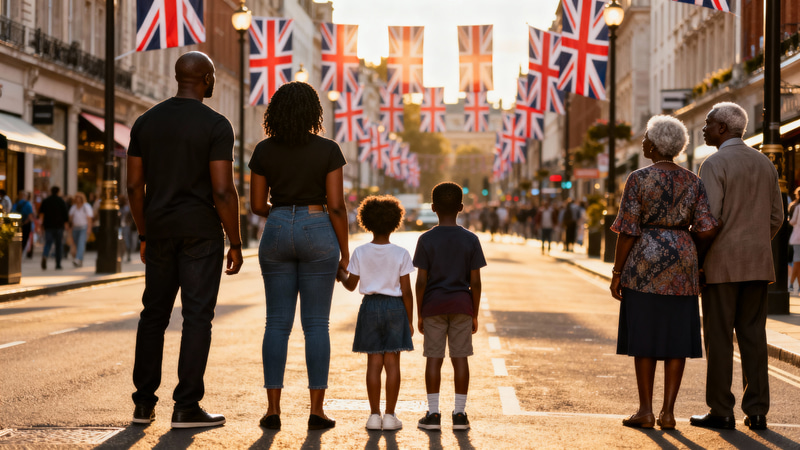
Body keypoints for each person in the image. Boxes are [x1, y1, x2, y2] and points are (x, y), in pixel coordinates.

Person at [127, 51, 243, 429]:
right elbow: (223, 191)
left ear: (178, 78)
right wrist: (236, 240)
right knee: (196, 318)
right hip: (200, 233)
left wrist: (144, 231)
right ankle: (186, 406)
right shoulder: (216, 125)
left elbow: (133, 185)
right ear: (208, 79)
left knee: (153, 316)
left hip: (159, 230)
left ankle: (143, 404)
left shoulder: (145, 122)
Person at [248, 81, 348, 431]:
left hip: (275, 228)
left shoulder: (263, 150)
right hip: (318, 226)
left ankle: (272, 410)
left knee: (276, 324)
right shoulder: (329, 150)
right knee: (316, 325)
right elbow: (336, 205)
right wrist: (344, 254)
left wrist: (283, 212)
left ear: (275, 112)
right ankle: (316, 411)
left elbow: (257, 204)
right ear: (313, 112)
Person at [610, 115, 719, 430]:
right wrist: (691, 253)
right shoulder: (693, 180)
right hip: (682, 262)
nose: (643, 141)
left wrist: (618, 271)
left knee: (643, 335)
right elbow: (708, 227)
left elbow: (628, 229)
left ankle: (645, 410)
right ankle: (668, 413)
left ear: (655, 144)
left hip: (644, 262)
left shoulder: (639, 178)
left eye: (646, 137)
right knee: (677, 337)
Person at [690, 102, 783, 431]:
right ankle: (757, 411)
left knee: (718, 338)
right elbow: (777, 217)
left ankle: (721, 410)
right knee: (754, 338)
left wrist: (699, 261)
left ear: (722, 129)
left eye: (708, 123)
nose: (703, 128)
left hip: (721, 265)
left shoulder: (713, 164)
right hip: (758, 264)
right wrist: (756, 241)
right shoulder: (764, 163)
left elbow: (707, 221)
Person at [414, 182, 486, 431]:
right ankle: (459, 414)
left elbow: (421, 280)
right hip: (462, 305)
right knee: (460, 358)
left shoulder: (425, 239)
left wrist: (420, 312)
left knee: (433, 358)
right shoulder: (471, 239)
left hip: (433, 305)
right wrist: (474, 313)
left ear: (433, 208)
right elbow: (475, 282)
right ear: (461, 208)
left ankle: (433, 414)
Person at [338, 195, 414, 431]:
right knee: (392, 363)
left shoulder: (360, 252)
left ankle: (373, 415)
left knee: (373, 363)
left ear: (365, 222)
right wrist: (409, 320)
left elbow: (351, 285)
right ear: (395, 222)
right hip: (395, 308)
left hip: (369, 307)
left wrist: (340, 274)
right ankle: (390, 416)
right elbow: (407, 291)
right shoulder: (401, 253)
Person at [38, 186, 69, 270]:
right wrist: (66, 225)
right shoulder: (61, 201)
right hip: (59, 226)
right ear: (58, 192)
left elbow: (41, 214)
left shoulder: (46, 201)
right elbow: (65, 215)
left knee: (48, 243)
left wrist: (41, 225)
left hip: (48, 226)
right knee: (58, 245)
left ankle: (45, 255)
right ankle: (58, 264)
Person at [68, 192, 93, 267]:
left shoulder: (86, 206)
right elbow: (70, 218)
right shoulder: (73, 207)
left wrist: (89, 228)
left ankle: (78, 259)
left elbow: (89, 219)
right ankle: (80, 260)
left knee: (81, 243)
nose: (78, 199)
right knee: (75, 244)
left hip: (83, 227)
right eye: (77, 198)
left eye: (79, 198)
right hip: (75, 228)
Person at [13, 191, 34, 258]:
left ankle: (17, 253)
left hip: (17, 224)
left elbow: (12, 213)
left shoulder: (16, 204)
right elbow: (30, 215)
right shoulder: (28, 204)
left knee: (17, 239)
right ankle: (21, 252)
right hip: (26, 224)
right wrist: (26, 222)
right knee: (24, 239)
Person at [788, 187, 800, 292]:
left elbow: (792, 221)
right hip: (797, 238)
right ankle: (797, 286)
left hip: (797, 238)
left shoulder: (796, 207)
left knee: (797, 261)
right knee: (798, 262)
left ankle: (791, 284)